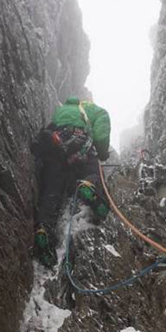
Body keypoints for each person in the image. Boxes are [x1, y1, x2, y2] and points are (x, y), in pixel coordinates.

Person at [33, 97, 111, 267]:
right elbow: (103, 116)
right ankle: (89, 185)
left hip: (57, 146)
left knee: (52, 190)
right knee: (91, 170)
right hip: (79, 141)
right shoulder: (85, 108)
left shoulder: (58, 113)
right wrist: (103, 149)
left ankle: (44, 229)